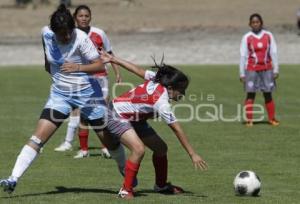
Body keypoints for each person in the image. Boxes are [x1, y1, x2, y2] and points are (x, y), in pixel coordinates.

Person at [0, 4, 112, 194]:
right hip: (60, 96)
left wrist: (78, 68)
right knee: (37, 138)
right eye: (62, 34)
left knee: (111, 142)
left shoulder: (82, 39)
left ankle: (127, 175)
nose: (66, 37)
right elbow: (46, 48)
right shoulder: (46, 33)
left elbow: (100, 64)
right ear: (54, 31)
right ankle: (12, 179)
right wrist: (48, 64)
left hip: (87, 95)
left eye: (68, 33)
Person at [99, 51, 208, 199]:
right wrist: (193, 154)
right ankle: (126, 190)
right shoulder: (161, 102)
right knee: (138, 149)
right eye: (181, 90)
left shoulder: (158, 79)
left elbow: (136, 69)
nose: (183, 93)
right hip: (116, 114)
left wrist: (113, 59)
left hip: (135, 118)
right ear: (170, 87)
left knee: (161, 148)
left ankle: (161, 186)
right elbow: (176, 129)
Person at [54, 4, 122, 159]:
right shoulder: (70, 35)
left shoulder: (99, 33)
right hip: (81, 78)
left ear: (90, 17)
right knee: (82, 113)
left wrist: (118, 73)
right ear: (75, 18)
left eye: (86, 16)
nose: (83, 19)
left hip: (100, 77)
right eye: (80, 16)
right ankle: (83, 150)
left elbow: (110, 54)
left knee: (102, 112)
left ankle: (106, 147)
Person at [239, 13, 279, 127]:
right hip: (252, 69)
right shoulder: (247, 37)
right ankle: (249, 120)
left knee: (268, 94)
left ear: (261, 23)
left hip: (267, 69)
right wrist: (242, 73)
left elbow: (274, 52)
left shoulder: (268, 35)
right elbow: (243, 55)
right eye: (253, 22)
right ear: (250, 24)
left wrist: (276, 69)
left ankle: (272, 119)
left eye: (257, 22)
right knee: (251, 94)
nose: (255, 24)